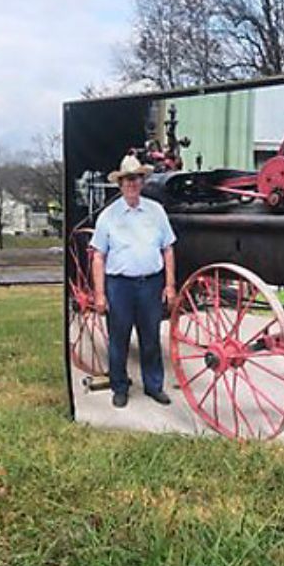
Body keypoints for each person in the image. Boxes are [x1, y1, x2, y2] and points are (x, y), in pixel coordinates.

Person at [90, 154, 177, 408]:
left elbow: (168, 249)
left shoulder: (156, 211)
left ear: (143, 181)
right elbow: (98, 256)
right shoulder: (108, 216)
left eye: (136, 179)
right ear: (120, 183)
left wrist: (170, 285)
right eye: (127, 179)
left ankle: (154, 386)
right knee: (119, 338)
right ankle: (119, 386)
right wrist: (99, 294)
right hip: (120, 286)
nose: (132, 184)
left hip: (150, 284)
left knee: (150, 338)